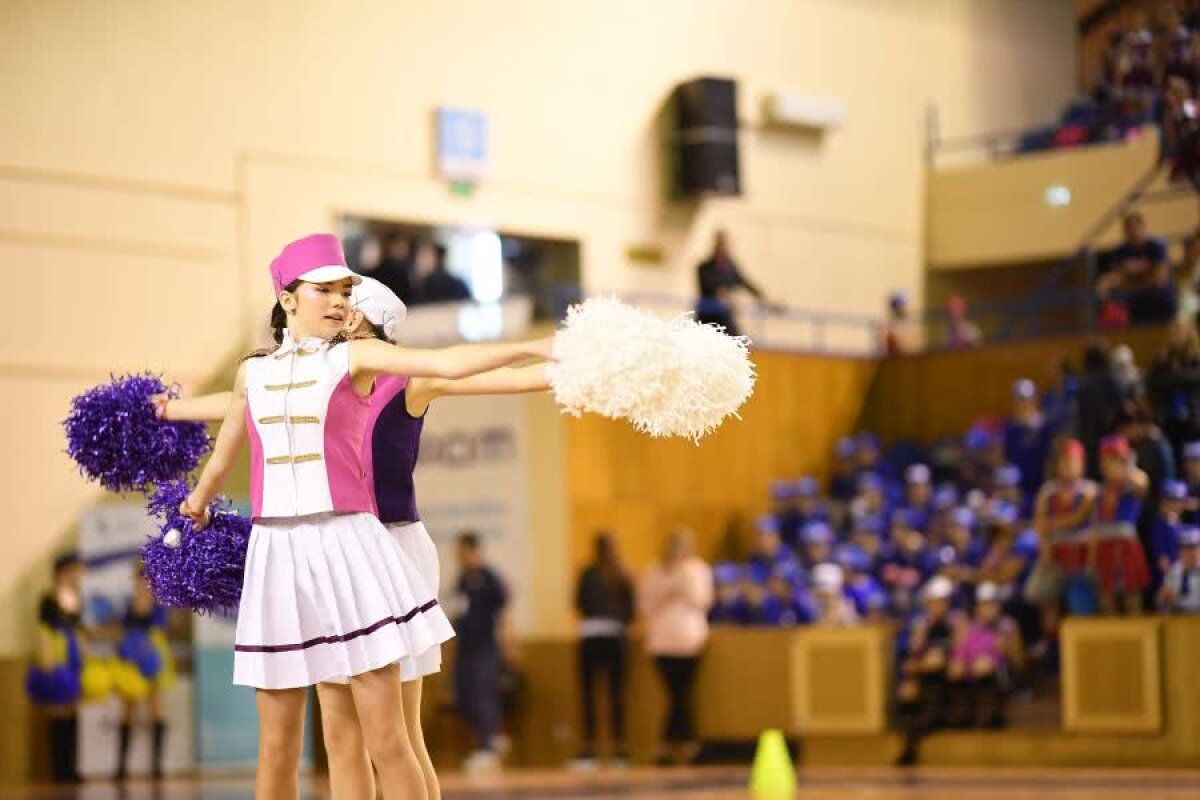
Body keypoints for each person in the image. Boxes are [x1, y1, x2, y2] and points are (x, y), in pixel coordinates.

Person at [177, 233, 553, 799]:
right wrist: (195, 503)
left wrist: (540, 347)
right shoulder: (251, 372)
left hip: (350, 546)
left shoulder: (355, 357)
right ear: (287, 298)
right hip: (276, 556)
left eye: (345, 289)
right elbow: (226, 444)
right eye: (323, 289)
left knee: (386, 737)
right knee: (278, 747)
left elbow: (445, 361)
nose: (337, 301)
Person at [638, 527, 713, 766]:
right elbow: (645, 606)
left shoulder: (697, 570)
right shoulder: (653, 571)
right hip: (661, 642)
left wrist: (682, 583)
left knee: (682, 693)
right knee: (674, 692)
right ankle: (684, 743)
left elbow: (702, 600)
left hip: (689, 641)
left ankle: (671, 743)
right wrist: (667, 588)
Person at [450, 532, 514, 774]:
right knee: (463, 695)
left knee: (482, 694)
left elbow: (506, 611)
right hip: (464, 648)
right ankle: (492, 737)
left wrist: (510, 644)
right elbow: (457, 613)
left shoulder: (490, 577)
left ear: (473, 550)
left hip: (485, 647)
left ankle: (487, 745)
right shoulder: (462, 579)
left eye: (462, 551)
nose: (459, 556)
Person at [570, 532, 635, 770]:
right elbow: (631, 611)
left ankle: (590, 749)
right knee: (616, 695)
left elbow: (579, 604)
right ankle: (620, 750)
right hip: (616, 638)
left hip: (591, 637)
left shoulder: (589, 574)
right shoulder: (622, 574)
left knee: (589, 696)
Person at [26, 552, 86, 783]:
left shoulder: (75, 598)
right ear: (62, 572)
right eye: (73, 570)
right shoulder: (48, 599)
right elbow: (44, 631)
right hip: (56, 654)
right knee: (58, 710)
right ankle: (58, 768)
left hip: (73, 656)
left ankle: (70, 767)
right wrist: (49, 660)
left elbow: (78, 629)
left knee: (72, 709)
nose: (76, 575)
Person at [113, 569, 175, 781]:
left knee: (156, 708)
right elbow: (123, 630)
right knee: (127, 707)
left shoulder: (158, 604)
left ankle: (157, 766)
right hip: (132, 657)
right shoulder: (129, 604)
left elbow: (160, 627)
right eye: (139, 579)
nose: (141, 583)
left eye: (145, 579)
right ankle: (121, 766)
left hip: (153, 656)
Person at [1090, 435, 1152, 614]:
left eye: (1114, 460)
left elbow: (1142, 482)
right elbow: (1095, 524)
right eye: (1107, 461)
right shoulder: (1100, 490)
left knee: (1132, 594)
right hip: (1104, 546)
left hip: (1126, 545)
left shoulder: (1132, 485)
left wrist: (1127, 465)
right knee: (1106, 595)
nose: (1109, 466)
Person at [695, 230, 765, 337]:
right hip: (707, 315)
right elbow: (708, 286)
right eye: (720, 244)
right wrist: (722, 293)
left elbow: (745, 282)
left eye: (724, 244)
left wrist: (764, 297)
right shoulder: (704, 267)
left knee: (737, 341)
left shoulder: (730, 267)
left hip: (724, 315)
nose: (723, 247)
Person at [409, 241, 472, 305]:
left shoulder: (453, 284)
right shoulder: (414, 286)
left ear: (438, 260)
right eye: (419, 257)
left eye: (425, 257)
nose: (420, 262)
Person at [1159, 527, 1200, 612]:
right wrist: (1164, 600)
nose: (1193, 553)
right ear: (1180, 551)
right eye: (1187, 549)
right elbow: (1165, 606)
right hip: (1179, 615)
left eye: (1196, 547)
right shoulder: (1173, 572)